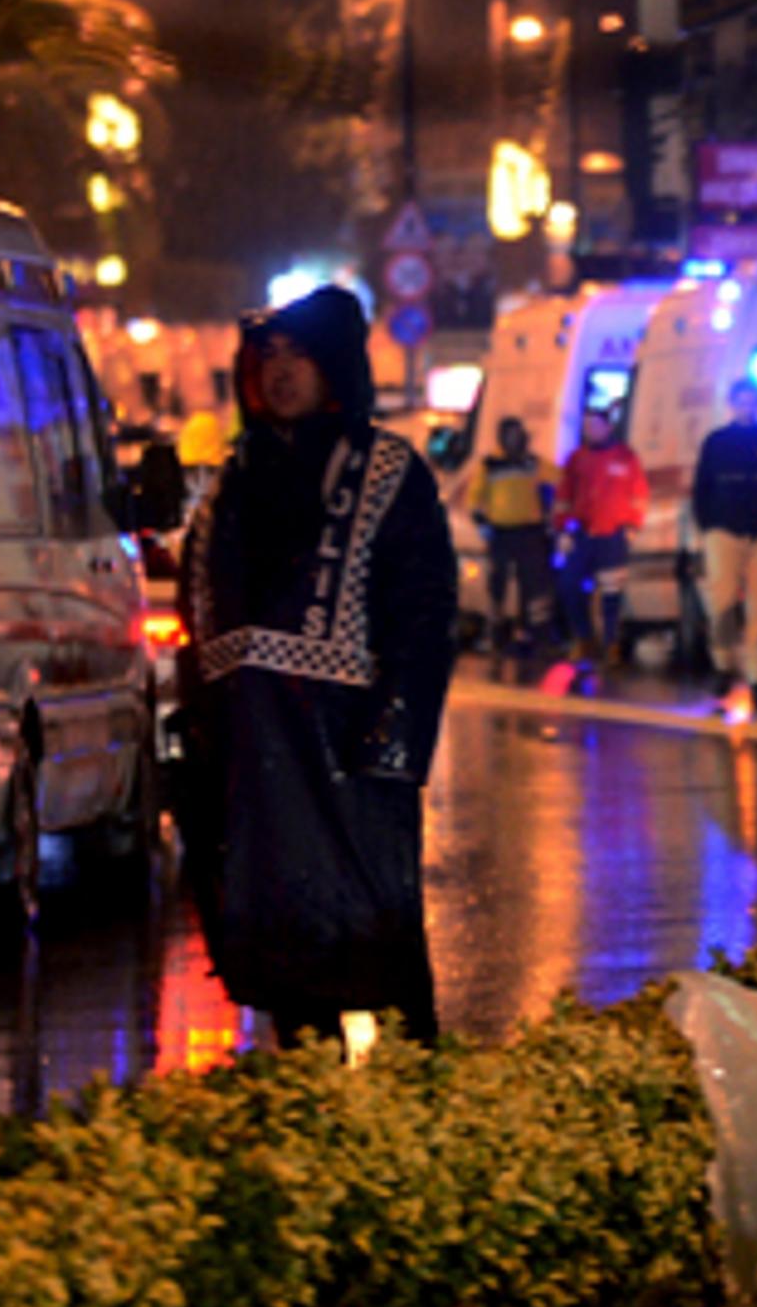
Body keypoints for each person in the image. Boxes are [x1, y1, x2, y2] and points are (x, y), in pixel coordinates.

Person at [179, 287, 457, 1046]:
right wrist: (200, 739)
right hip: (254, 760)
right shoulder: (233, 484)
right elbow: (197, 621)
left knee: (375, 941)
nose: (280, 374)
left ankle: (416, 1116)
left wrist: (394, 738)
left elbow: (424, 614)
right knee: (282, 951)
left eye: (298, 357)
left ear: (334, 366)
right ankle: (312, 1108)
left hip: (346, 749)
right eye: (266, 359)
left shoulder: (387, 471)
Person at [691, 381, 757, 707]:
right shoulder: (716, 442)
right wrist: (709, 525)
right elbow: (702, 487)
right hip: (723, 530)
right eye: (742, 402)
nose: (747, 408)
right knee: (722, 601)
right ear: (732, 404)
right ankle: (724, 665)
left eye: (752, 402)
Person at [557, 406, 646, 663]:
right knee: (569, 586)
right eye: (587, 427)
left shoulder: (625, 457)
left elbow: (639, 494)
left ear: (608, 427)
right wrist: (563, 528)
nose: (591, 431)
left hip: (613, 535)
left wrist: (632, 525)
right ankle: (584, 638)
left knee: (611, 591)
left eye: (595, 426)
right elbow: (564, 496)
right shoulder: (576, 459)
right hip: (582, 534)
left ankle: (610, 643)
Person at [471, 415, 555, 655]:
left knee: (531, 585)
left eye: (517, 434)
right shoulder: (490, 465)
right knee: (497, 585)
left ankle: (530, 633)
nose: (514, 439)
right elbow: (474, 498)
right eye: (510, 434)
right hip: (501, 532)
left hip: (530, 532)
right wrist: (482, 525)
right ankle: (496, 633)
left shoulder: (532, 463)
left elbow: (560, 478)